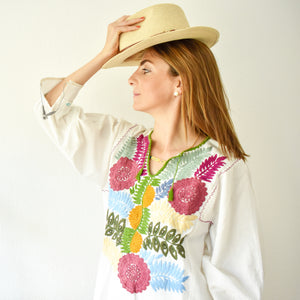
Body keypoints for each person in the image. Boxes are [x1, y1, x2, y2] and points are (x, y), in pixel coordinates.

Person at [34, 3, 263, 300]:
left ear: (179, 82)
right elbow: (52, 112)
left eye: (145, 69)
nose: (132, 79)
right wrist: (104, 55)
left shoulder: (223, 169)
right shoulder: (118, 144)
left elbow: (236, 277)